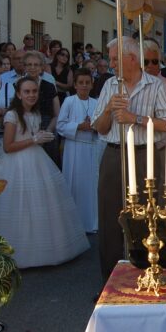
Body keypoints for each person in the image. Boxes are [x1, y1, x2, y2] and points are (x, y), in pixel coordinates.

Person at [0, 77, 88, 268]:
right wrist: (34, 140)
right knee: (17, 206)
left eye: (34, 91)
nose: (31, 95)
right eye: (26, 91)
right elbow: (9, 146)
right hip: (16, 163)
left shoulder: (35, 113)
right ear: (18, 94)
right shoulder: (12, 116)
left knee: (41, 204)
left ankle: (44, 250)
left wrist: (40, 138)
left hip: (36, 159)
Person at [92, 38, 166, 280]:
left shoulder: (155, 85)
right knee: (110, 218)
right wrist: (108, 109)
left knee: (146, 215)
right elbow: (99, 127)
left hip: (143, 156)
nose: (111, 62)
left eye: (116, 58)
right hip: (113, 155)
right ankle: (110, 279)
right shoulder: (110, 85)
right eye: (111, 58)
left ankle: (147, 271)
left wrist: (136, 118)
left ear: (132, 58)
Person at [57, 69, 103, 234]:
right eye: (81, 83)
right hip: (74, 147)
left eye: (87, 83)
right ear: (75, 85)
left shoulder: (96, 103)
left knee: (91, 186)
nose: (84, 86)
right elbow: (60, 126)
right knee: (74, 184)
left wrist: (94, 127)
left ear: (92, 84)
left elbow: (102, 125)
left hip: (91, 147)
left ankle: (91, 223)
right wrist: (78, 126)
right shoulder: (69, 101)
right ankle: (74, 224)